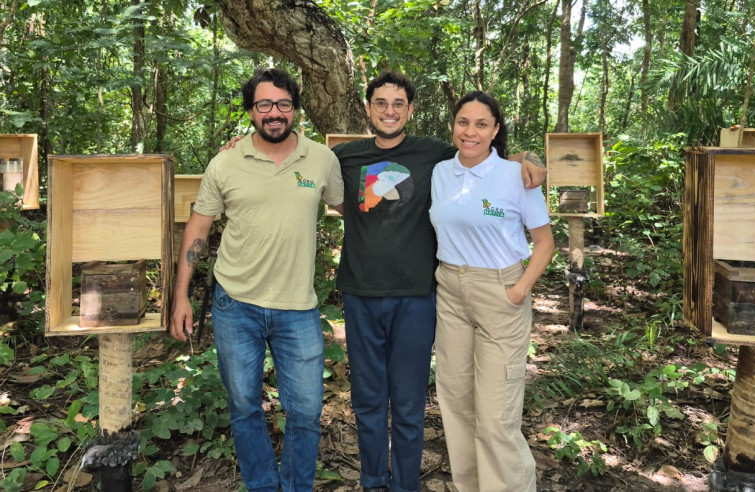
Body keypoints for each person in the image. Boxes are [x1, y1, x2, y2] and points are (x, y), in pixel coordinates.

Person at [222, 71, 545, 492]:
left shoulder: (436, 154)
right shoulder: (344, 156)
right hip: (361, 293)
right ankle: (373, 480)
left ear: (410, 110)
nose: (389, 111)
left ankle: (406, 483)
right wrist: (236, 147)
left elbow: (482, 151)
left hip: (418, 296)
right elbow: (291, 162)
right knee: (368, 401)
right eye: (381, 103)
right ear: (368, 108)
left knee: (410, 403)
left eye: (398, 104)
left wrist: (528, 158)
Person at [169, 67, 344, 492]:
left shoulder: (322, 158)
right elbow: (197, 230)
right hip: (236, 304)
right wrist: (181, 297)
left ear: (295, 110)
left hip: (299, 308)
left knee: (305, 412)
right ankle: (263, 485)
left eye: (284, 104)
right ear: (251, 111)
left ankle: (297, 486)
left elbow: (352, 208)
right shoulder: (226, 162)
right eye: (264, 104)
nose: (274, 113)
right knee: (245, 406)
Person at [428, 91, 555, 492]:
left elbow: (545, 243)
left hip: (500, 291)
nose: (471, 131)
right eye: (464, 122)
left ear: (496, 130)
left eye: (482, 124)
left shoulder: (517, 176)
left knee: (496, 413)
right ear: (453, 125)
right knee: (456, 401)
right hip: (449, 290)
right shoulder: (440, 172)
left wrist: (518, 290)